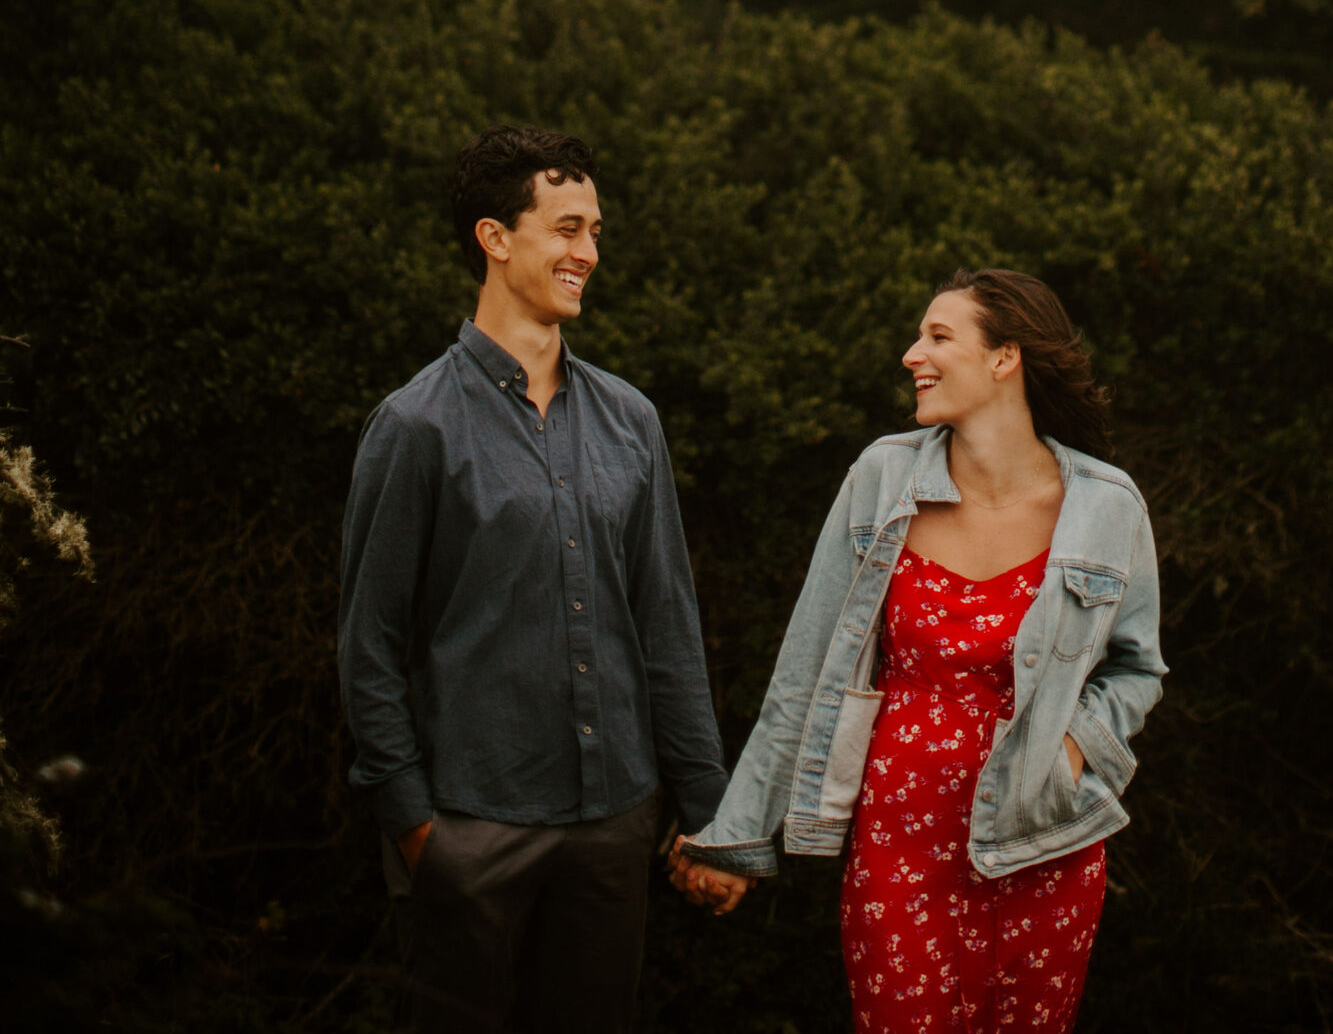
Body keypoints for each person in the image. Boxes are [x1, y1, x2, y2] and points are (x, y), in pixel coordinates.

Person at [668, 268, 1165, 1032]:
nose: (911, 354)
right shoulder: (882, 477)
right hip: (899, 845)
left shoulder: (1106, 505)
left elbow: (1136, 669)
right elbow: (804, 670)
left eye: (938, 336)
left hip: (1045, 843)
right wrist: (735, 836)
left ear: (1005, 358)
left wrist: (1074, 747)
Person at [338, 127, 728, 1034]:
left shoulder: (632, 420)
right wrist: (416, 828)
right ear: (495, 237)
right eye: (565, 228)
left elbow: (667, 624)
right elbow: (368, 647)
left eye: (593, 231)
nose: (587, 253)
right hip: (469, 824)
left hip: (614, 822)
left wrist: (708, 807)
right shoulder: (414, 427)